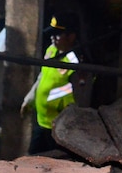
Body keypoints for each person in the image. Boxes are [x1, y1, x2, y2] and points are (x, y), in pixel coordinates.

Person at [20, 12, 81, 155]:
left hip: (60, 126)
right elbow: (42, 76)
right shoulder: (51, 50)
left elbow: (80, 94)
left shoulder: (75, 62)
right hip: (41, 121)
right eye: (52, 34)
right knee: (33, 159)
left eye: (58, 35)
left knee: (55, 162)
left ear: (71, 37)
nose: (53, 38)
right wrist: (29, 99)